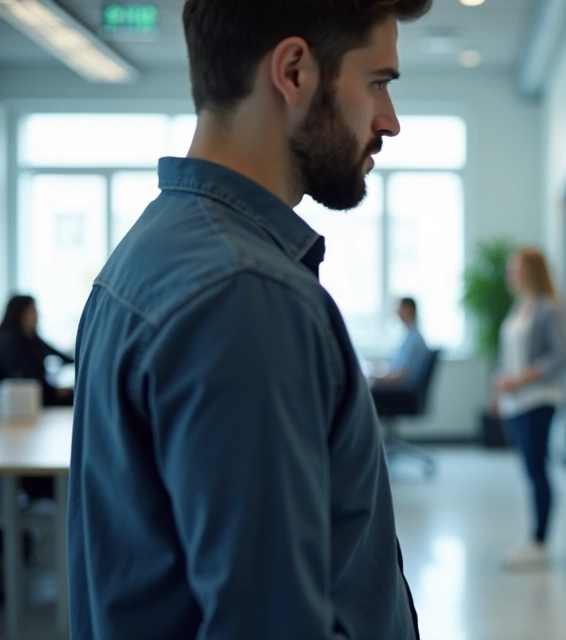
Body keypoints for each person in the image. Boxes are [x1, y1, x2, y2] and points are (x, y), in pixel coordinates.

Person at [68, 1, 433, 638]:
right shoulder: (244, 295)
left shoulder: (152, 252)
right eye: (377, 82)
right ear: (294, 72)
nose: (390, 121)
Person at [495, 248, 566, 570]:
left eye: (517, 269)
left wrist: (521, 378)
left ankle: (539, 541)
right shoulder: (521, 306)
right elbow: (510, 353)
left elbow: (561, 355)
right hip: (517, 400)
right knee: (530, 469)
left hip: (540, 398)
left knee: (537, 468)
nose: (511, 274)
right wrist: (500, 385)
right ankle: (535, 538)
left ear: (533, 271)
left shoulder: (548, 308)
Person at [0, 295, 74, 407]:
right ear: (21, 313)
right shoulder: (10, 340)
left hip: (36, 392)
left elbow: (60, 356)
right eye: (33, 310)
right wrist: (54, 391)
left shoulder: (33, 339)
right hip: (21, 398)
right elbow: (23, 377)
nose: (37, 315)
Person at [372, 297, 429, 390]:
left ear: (408, 309)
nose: (397, 312)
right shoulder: (409, 336)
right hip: (402, 387)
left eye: (399, 308)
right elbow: (398, 369)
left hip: (402, 390)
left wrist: (376, 378)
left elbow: (401, 376)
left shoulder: (414, 340)